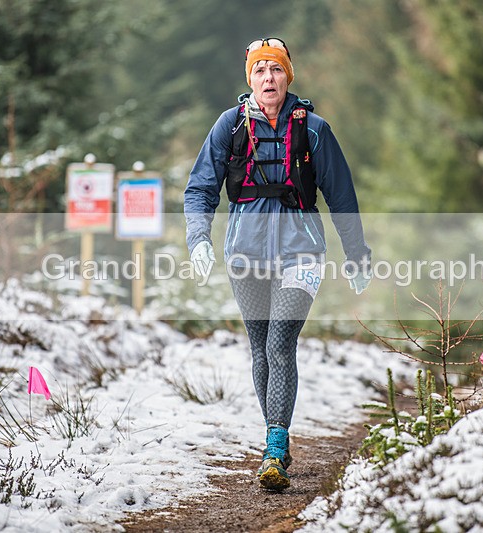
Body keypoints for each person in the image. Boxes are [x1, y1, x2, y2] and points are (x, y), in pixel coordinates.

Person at [184, 37, 371, 491]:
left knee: (280, 342)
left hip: (301, 250)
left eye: (277, 70)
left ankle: (273, 449)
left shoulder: (314, 130)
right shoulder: (228, 126)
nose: (269, 78)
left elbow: (341, 196)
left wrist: (356, 253)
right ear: (249, 79)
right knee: (260, 346)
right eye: (260, 71)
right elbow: (200, 188)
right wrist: (198, 240)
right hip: (244, 252)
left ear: (289, 76)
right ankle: (277, 436)